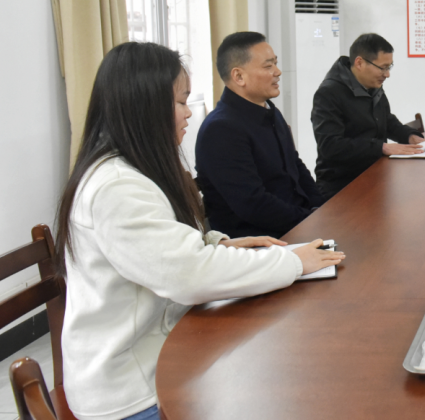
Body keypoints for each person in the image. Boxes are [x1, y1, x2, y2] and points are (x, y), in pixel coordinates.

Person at [55, 42, 344, 420]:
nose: (188, 113)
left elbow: (160, 242)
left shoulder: (133, 168)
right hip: (132, 388)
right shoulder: (116, 187)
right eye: (180, 102)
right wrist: (291, 262)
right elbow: (187, 275)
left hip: (161, 350)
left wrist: (218, 243)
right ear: (144, 107)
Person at [196, 32, 326, 238]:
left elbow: (295, 165)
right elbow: (253, 205)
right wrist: (309, 219)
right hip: (259, 240)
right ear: (239, 76)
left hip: (295, 223)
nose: (278, 72)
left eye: (275, 63)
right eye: (268, 66)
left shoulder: (269, 111)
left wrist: (322, 208)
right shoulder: (221, 129)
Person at [311, 33, 425, 197]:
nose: (387, 74)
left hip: (376, 174)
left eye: (389, 67)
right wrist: (381, 147)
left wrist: (410, 136)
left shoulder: (372, 85)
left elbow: (387, 120)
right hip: (342, 185)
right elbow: (330, 146)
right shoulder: (328, 93)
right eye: (383, 67)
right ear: (359, 63)